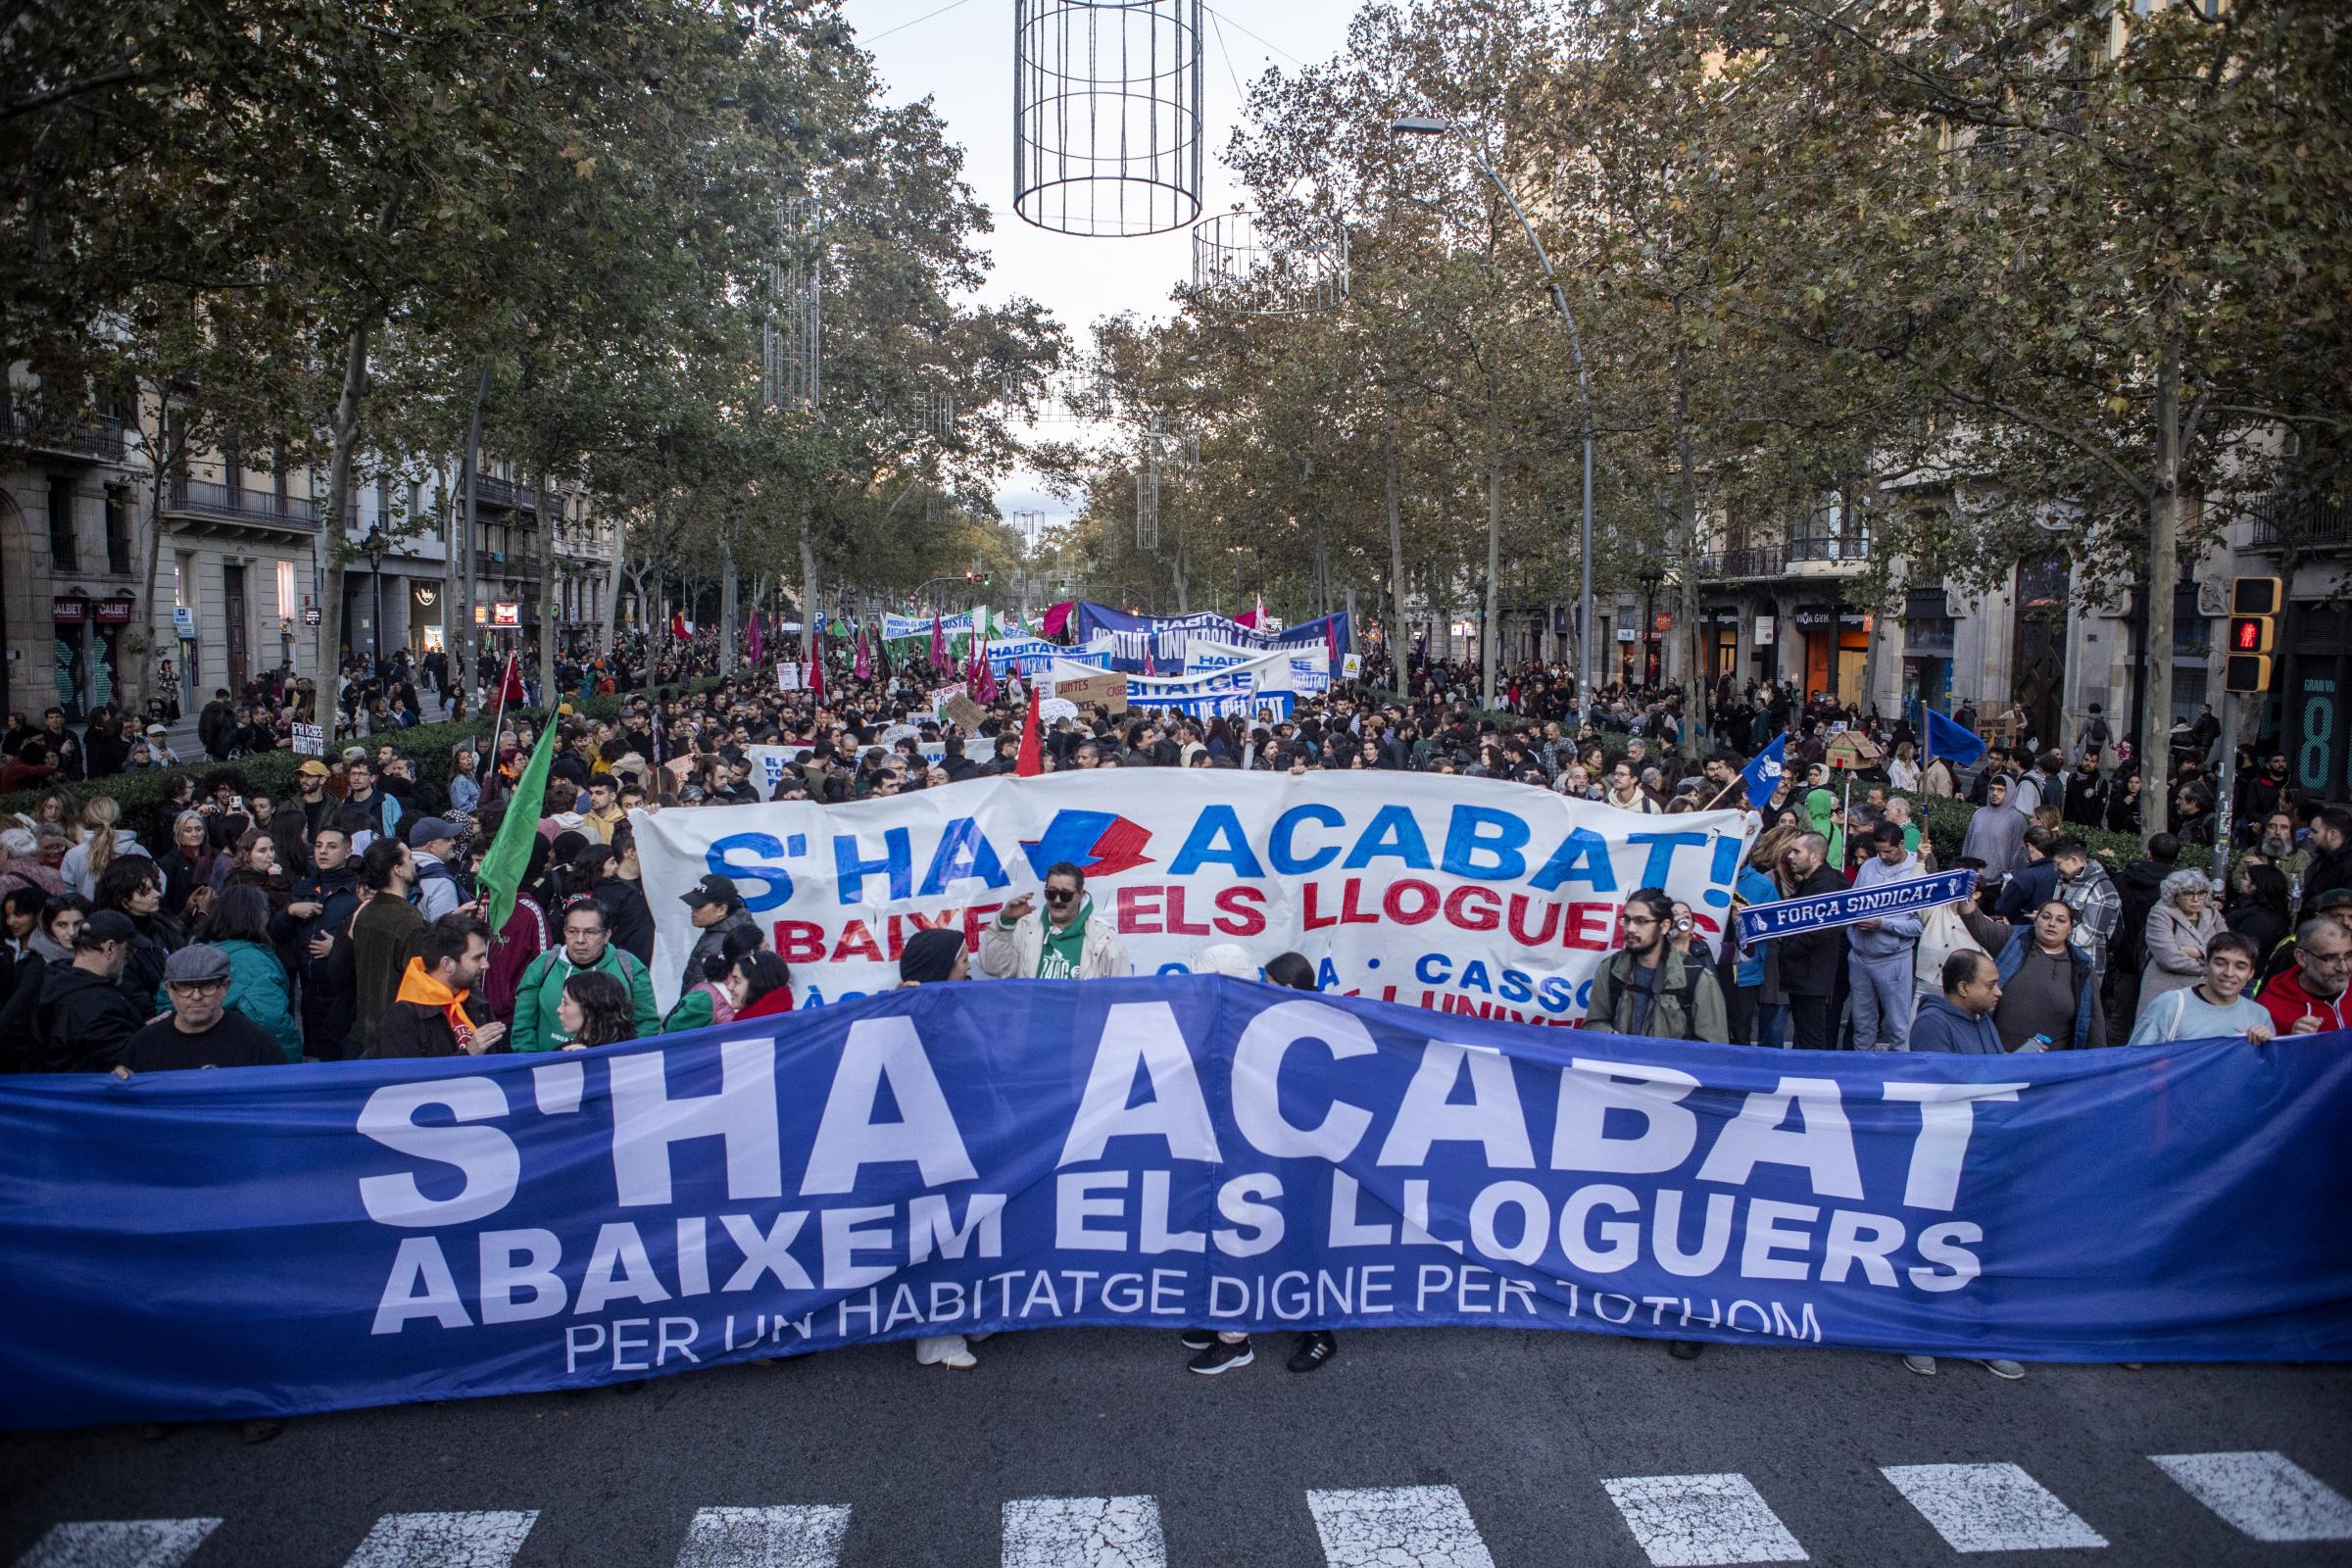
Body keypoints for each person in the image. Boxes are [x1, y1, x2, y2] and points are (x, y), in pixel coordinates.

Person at [1585, 887, 1731, 1043]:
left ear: (1664, 926)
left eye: (1641, 921)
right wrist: (1609, 1036)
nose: (1631, 928)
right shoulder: (1610, 969)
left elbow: (1713, 1049)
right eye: (1627, 920)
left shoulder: (1697, 978)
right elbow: (1593, 1024)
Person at [511, 900, 660, 1052]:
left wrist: (625, 1062)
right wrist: (533, 1065)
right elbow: (523, 1026)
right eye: (572, 931)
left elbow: (647, 1023)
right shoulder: (543, 965)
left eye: (590, 932)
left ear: (607, 935)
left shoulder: (630, 966)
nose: (580, 940)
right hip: (549, 1068)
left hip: (609, 1068)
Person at [120, 944, 284, 1072]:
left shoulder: (258, 1044)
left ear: (225, 987)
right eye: (185, 988)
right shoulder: (143, 1045)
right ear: (169, 990)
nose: (196, 996)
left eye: (207, 986)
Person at [184, 884, 301, 1062]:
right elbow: (274, 1023)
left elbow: (165, 1002)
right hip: (241, 1063)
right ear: (259, 917)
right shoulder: (255, 964)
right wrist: (290, 1069)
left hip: (194, 1057)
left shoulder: (194, 949)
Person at [368, 912, 509, 1057]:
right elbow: (407, 1077)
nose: (485, 965)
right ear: (447, 964)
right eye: (477, 958)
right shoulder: (403, 1016)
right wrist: (468, 1053)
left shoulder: (475, 998)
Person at [24, 909, 147, 1073]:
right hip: (83, 1093)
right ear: (109, 948)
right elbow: (128, 1060)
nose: (129, 958)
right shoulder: (99, 1005)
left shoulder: (49, 979)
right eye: (128, 950)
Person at [979, 862, 1132, 979]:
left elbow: (1121, 993)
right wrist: (1006, 923)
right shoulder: (1026, 926)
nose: (1057, 900)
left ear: (1080, 895)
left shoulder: (1103, 937)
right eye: (1051, 893)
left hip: (1080, 1021)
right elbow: (993, 967)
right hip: (1032, 1020)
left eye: (1066, 895)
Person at [1846, 823, 1923, 1051]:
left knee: (1899, 1028)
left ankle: (1897, 1081)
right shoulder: (1869, 866)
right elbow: (1852, 903)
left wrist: (1883, 924)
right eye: (1879, 851)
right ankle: (1864, 1078)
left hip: (1893, 959)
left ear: (1901, 844)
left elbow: (1919, 926)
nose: (1883, 856)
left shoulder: (1917, 872)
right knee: (1862, 1026)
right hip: (1860, 956)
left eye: (1888, 851)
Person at [348, 838, 428, 1054]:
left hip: (366, 1028)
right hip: (398, 1034)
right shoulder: (409, 922)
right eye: (409, 858)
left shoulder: (366, 912)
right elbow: (421, 985)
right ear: (397, 870)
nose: (414, 863)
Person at [2128, 932, 2276, 1045]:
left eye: (2240, 967)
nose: (2229, 973)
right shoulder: (2170, 1004)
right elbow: (2136, 1063)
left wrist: (2267, 1046)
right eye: (2220, 963)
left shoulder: (2259, 1016)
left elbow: (2268, 1072)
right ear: (2206, 964)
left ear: (2250, 974)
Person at [1776, 832, 1848, 1049]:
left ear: (1815, 856)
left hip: (1812, 975)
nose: (1790, 856)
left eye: (1797, 851)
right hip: (1806, 975)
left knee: (1810, 1040)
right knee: (1805, 1037)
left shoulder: (1824, 886)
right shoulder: (1812, 883)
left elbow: (1818, 930)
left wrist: (1789, 948)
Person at [1993, 901, 2095, 1051]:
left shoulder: (2082, 965)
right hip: (1994, 1057)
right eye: (2046, 917)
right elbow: (1974, 921)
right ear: (2035, 920)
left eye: (2061, 920)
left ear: (2070, 929)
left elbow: (2095, 1020)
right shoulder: (2012, 941)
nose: (2052, 924)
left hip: (2051, 1066)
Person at [2139, 868, 2224, 1011]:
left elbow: (2227, 949)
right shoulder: (2160, 913)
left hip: (2205, 993)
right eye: (2188, 893)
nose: (2196, 899)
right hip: (2166, 991)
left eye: (2201, 893)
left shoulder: (2212, 913)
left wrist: (2198, 952)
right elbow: (2169, 959)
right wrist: (2213, 967)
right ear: (2175, 895)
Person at [2257, 917, 2351, 1038]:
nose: (2343, 968)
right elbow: (2264, 1056)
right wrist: (2294, 1043)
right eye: (2329, 958)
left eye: (2349, 955)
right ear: (2302, 958)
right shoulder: (2269, 1008)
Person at [1910, 949, 2006, 1054]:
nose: (1998, 992)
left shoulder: (1982, 1017)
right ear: (1963, 988)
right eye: (1990, 986)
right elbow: (1939, 1070)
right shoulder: (1931, 1024)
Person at [680, 873, 759, 992]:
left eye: (699, 905)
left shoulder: (723, 941)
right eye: (692, 904)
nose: (692, 909)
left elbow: (701, 996)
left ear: (722, 910)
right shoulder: (719, 930)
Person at [58, 796, 147, 900]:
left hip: (87, 914)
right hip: (130, 914)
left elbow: (65, 893)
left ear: (87, 819)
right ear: (118, 818)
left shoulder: (74, 855)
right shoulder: (137, 850)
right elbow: (160, 886)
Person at [2225, 861, 2293, 974]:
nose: (2241, 881)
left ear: (2255, 886)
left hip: (2246, 975)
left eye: (2245, 879)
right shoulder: (2247, 904)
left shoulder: (2263, 919)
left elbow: (2242, 949)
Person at [554, 968, 638, 1050]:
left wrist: (589, 1059)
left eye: (565, 1003)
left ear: (591, 1010)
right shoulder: (564, 1052)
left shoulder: (632, 1056)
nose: (559, 1009)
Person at [2297, 806, 2352, 921]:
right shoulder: (2325, 858)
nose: (2309, 836)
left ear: (2332, 834)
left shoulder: (2347, 866)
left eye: (2314, 831)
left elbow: (2342, 908)